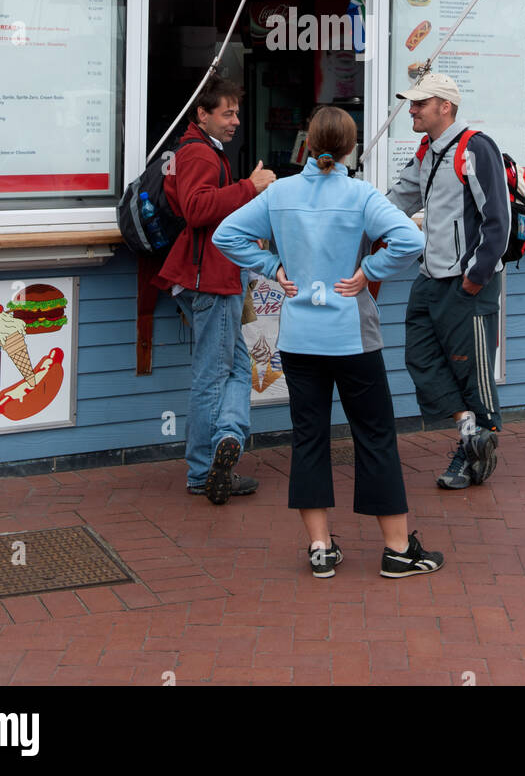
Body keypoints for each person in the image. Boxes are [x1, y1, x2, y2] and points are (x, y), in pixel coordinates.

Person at [212, 106, 444, 580]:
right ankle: (398, 550)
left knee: (310, 438)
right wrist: (369, 273)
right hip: (352, 338)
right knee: (375, 436)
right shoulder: (360, 194)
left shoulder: (280, 193)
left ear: (307, 142)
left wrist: (273, 267)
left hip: (300, 338)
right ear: (348, 148)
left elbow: (226, 234)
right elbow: (409, 240)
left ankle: (320, 547)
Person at [155, 74, 276, 504]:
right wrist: (250, 188)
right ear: (202, 114)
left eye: (237, 113)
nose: (236, 121)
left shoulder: (200, 150)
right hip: (212, 280)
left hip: (215, 275)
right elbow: (197, 209)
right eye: (227, 113)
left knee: (240, 369)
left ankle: (227, 438)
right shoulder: (200, 155)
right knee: (213, 375)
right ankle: (204, 470)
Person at [386, 72, 510, 491]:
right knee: (420, 358)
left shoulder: (476, 147)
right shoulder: (427, 150)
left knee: (472, 372)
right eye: (413, 103)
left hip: (466, 282)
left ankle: (476, 446)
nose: (413, 109)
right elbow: (396, 201)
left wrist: (474, 277)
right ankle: (469, 431)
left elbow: (498, 220)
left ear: (446, 106)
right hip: (429, 277)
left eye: (420, 103)